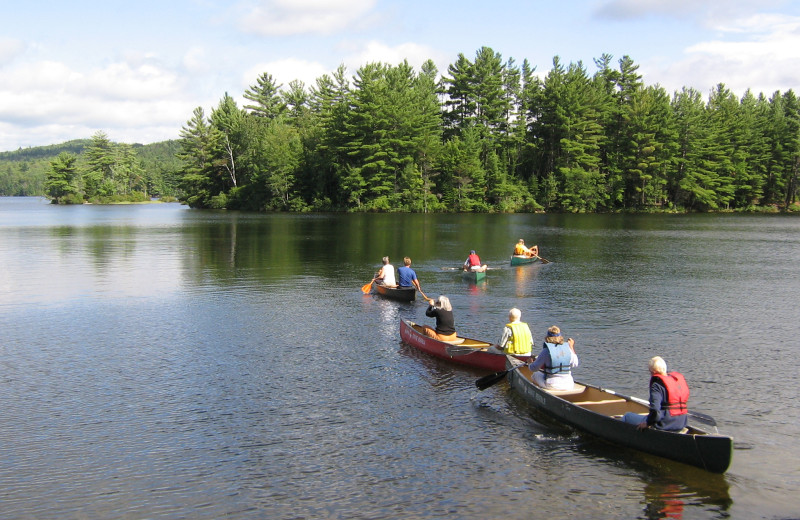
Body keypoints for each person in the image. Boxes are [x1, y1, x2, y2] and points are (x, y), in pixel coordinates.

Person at [621, 356, 689, 432]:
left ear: (652, 372)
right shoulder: (676, 381)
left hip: (664, 424)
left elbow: (656, 412)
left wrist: (648, 423)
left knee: (627, 416)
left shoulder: (657, 385)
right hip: (681, 423)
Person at [528, 325, 579, 391]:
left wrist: (530, 363)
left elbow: (533, 368)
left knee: (535, 374)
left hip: (553, 385)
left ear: (548, 337)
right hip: (569, 384)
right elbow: (575, 364)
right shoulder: (568, 348)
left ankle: (538, 393)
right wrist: (571, 346)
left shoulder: (546, 351)